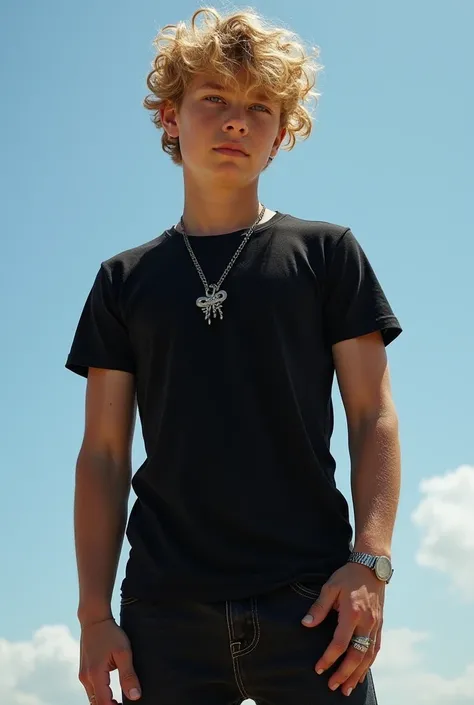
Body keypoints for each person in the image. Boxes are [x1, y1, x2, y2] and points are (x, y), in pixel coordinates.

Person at [66, 7, 402, 705]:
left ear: (280, 135)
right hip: (164, 612)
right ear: (168, 116)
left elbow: (374, 416)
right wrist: (95, 613)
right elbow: (103, 453)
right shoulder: (123, 280)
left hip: (313, 604)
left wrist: (368, 564)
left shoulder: (327, 254)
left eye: (258, 107)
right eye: (213, 99)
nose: (235, 121)